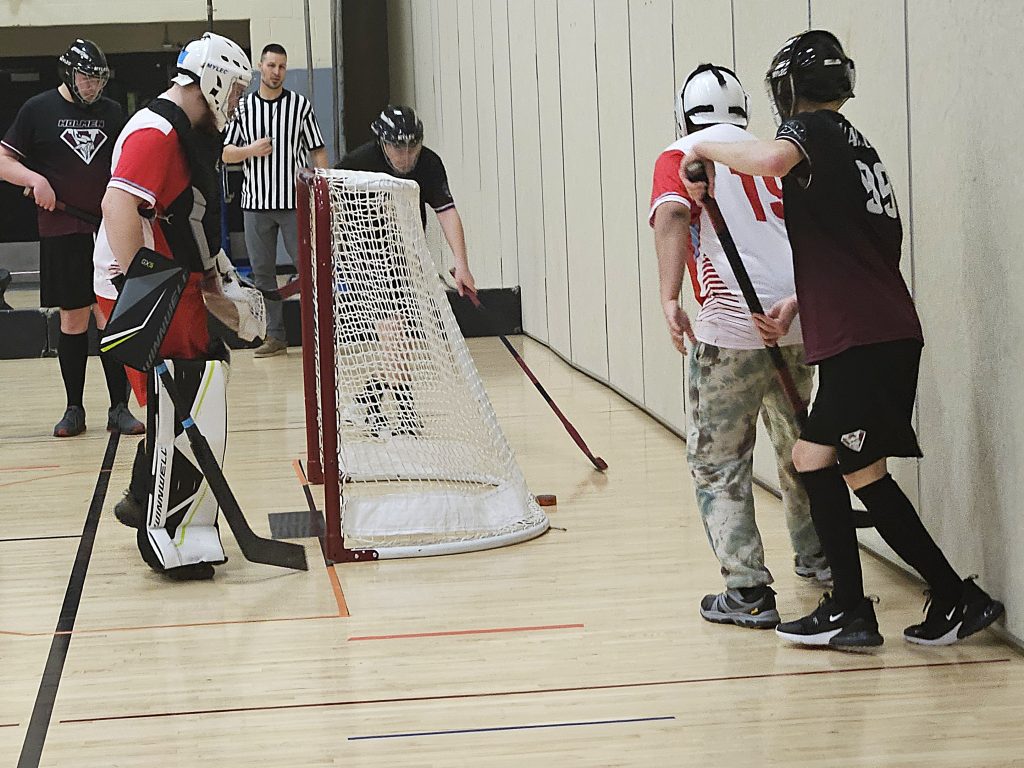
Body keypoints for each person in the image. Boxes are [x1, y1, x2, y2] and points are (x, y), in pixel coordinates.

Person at [681, 30, 1004, 649]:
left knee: (816, 460)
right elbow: (866, 251)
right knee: (858, 468)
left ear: (788, 90)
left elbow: (769, 160)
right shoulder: (859, 149)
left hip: (863, 342)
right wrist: (800, 303)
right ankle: (945, 598)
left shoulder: (815, 132)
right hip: (885, 333)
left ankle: (855, 610)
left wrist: (697, 142)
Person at [650, 63, 828, 630]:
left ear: (684, 115)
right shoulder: (771, 152)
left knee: (718, 460)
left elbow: (673, 213)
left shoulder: (681, 153)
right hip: (795, 322)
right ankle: (818, 558)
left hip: (731, 330)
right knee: (799, 447)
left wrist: (669, 297)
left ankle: (748, 590)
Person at [99, 32, 252, 581]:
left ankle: (146, 498)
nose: (235, 102)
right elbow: (117, 204)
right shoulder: (158, 130)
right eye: (235, 90)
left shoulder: (183, 130)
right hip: (143, 286)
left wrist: (213, 278)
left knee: (196, 384)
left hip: (167, 280)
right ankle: (168, 530)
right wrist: (141, 298)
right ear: (213, 78)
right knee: (181, 397)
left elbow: (183, 213)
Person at [0, 39, 144, 437]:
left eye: (97, 80)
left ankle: (119, 407)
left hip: (107, 229)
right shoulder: (38, 109)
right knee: (73, 317)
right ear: (68, 73)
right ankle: (74, 408)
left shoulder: (112, 112)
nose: (92, 87)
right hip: (62, 229)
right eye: (85, 79)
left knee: (110, 315)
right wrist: (35, 180)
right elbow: (4, 159)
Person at [222, 43, 328, 357]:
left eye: (281, 66)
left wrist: (324, 191)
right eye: (271, 65)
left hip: (294, 203)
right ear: (260, 67)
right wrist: (250, 150)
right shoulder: (243, 108)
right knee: (263, 273)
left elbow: (318, 150)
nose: (276, 72)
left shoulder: (300, 106)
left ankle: (318, 333)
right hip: (255, 205)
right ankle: (276, 335)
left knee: (308, 269)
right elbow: (226, 153)